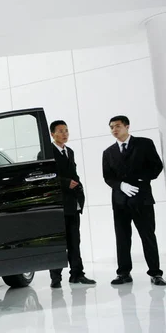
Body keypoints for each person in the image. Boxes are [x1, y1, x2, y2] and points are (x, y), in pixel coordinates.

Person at [103, 115, 166, 286]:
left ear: (127, 126)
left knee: (148, 236)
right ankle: (123, 273)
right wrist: (120, 185)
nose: (114, 130)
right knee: (122, 238)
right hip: (120, 202)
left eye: (117, 126)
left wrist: (140, 179)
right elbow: (107, 177)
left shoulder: (144, 143)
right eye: (111, 127)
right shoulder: (108, 152)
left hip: (142, 199)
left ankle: (156, 273)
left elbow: (156, 166)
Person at [48, 120, 96, 288]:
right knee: (58, 242)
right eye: (60, 131)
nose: (65, 134)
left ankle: (77, 274)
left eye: (66, 130)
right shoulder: (46, 152)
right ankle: (55, 278)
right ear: (52, 134)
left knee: (75, 241)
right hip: (58, 205)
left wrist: (77, 185)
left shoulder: (70, 152)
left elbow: (73, 173)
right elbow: (46, 177)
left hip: (73, 203)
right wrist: (65, 182)